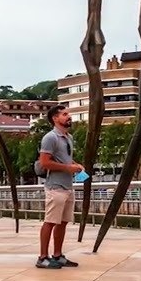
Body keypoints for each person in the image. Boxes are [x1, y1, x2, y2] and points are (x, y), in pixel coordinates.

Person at [37, 104, 84, 269]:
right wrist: (68, 168)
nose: (68, 117)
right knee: (50, 221)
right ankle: (43, 257)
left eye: (68, 114)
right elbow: (44, 162)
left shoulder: (68, 137)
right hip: (55, 186)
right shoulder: (50, 138)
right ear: (55, 118)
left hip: (67, 186)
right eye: (64, 114)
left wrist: (75, 165)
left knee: (62, 222)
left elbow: (65, 160)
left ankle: (57, 254)